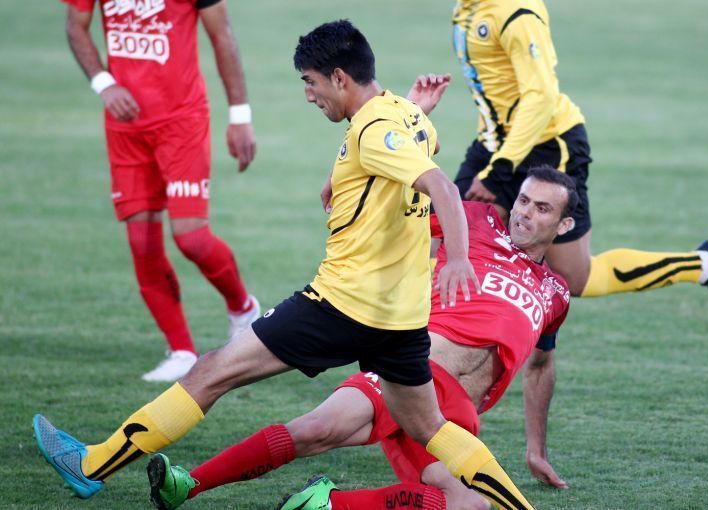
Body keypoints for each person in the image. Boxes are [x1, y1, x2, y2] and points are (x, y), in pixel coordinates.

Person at [34, 20, 535, 510]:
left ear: (339, 77)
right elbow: (407, 139)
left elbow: (441, 185)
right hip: (401, 319)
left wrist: (458, 259)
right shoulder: (407, 115)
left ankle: (92, 465)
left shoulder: (377, 129)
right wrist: (347, 167)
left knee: (212, 372)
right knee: (431, 428)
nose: (308, 95)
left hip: (342, 305)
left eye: (311, 82)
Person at [144, 166, 576, 510]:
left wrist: (535, 449)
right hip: (411, 373)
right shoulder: (477, 222)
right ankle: (186, 485)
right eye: (523, 200)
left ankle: (327, 504)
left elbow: (540, 367)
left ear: (564, 224)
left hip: (456, 414)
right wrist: (346, 174)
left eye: (542, 208)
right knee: (315, 429)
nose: (525, 213)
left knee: (469, 505)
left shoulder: (556, 295)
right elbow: (396, 207)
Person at [450, 0, 708, 316]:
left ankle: (704, 265)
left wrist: (500, 169)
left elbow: (541, 96)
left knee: (575, 277)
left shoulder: (516, 11)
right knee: (448, 236)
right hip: (496, 143)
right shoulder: (468, 6)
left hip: (548, 145)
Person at [62, 0, 261, 381]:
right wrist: (104, 83)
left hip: (182, 121)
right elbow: (75, 25)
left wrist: (240, 116)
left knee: (192, 238)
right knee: (142, 243)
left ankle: (243, 310)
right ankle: (181, 351)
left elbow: (222, 34)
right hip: (125, 125)